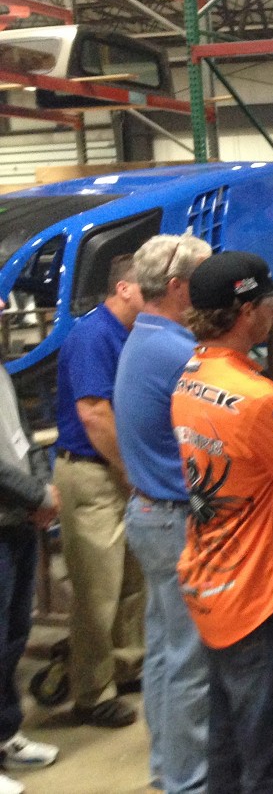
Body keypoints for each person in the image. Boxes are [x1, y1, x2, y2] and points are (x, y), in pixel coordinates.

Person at [172, 251, 273, 794]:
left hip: (214, 583)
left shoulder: (190, 377)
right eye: (269, 301)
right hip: (263, 595)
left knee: (228, 750)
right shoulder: (261, 401)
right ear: (246, 312)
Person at [115, 234, 212, 794]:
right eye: (203, 280)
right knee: (191, 659)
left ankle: (166, 765)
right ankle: (189, 779)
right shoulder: (179, 352)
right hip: (175, 519)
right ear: (178, 287)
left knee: (164, 648)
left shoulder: (145, 336)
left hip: (150, 513)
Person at [53, 253, 145, 728]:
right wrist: (130, 470)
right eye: (147, 285)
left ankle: (125, 667)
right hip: (93, 474)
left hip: (119, 471)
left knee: (131, 581)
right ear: (123, 288)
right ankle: (92, 692)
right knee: (98, 590)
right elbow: (94, 413)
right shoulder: (93, 335)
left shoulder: (130, 334)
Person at [0, 298, 61, 794]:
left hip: (16, 521)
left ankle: (5, 734)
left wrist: (43, 488)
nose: (3, 303)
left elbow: (24, 436)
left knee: (14, 637)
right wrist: (39, 496)